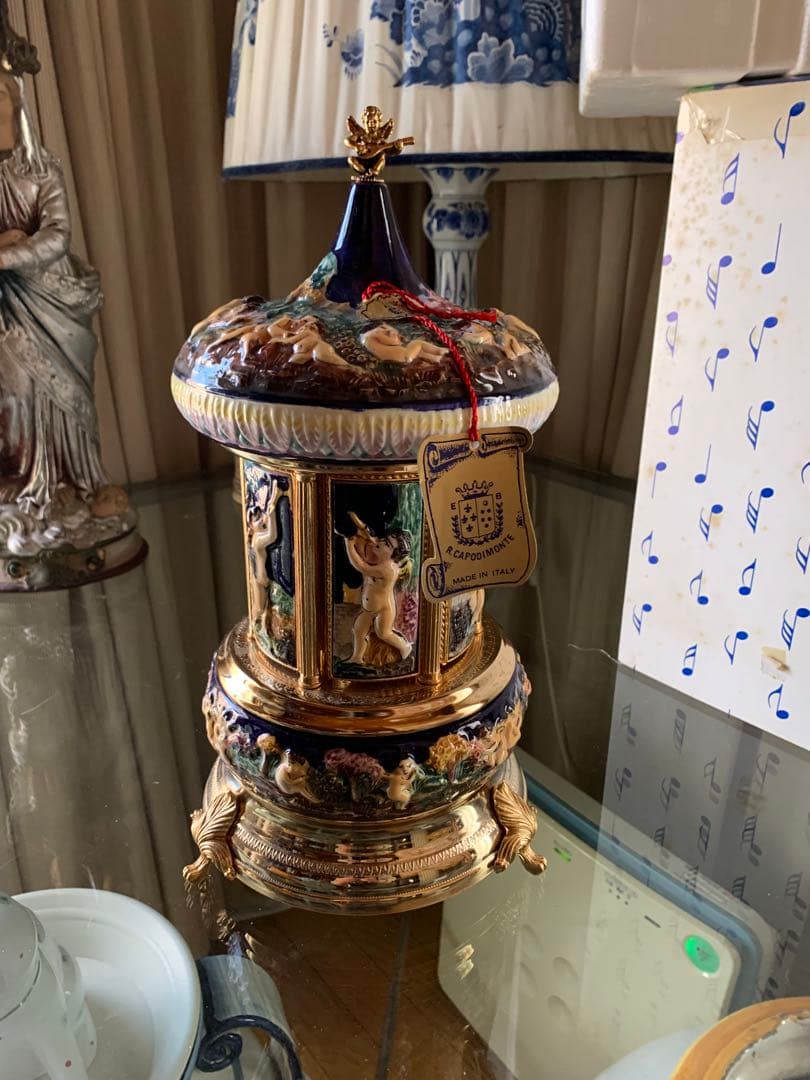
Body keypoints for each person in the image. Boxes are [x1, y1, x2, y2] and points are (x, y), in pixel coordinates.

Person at [0, 71, 106, 517]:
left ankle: (73, 481)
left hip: (51, 298)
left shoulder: (42, 170)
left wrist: (8, 252)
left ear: (16, 107)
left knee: (61, 393)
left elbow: (58, 235)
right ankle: (24, 478)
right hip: (6, 304)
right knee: (14, 388)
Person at [344, 514, 412, 664]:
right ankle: (357, 657)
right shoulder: (381, 559)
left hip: (384, 609)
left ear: (394, 555)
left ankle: (404, 647)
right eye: (384, 539)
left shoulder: (388, 569)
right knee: (359, 630)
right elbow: (370, 544)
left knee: (384, 633)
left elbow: (362, 566)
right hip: (369, 609)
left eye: (387, 544)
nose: (380, 542)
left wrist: (349, 544)